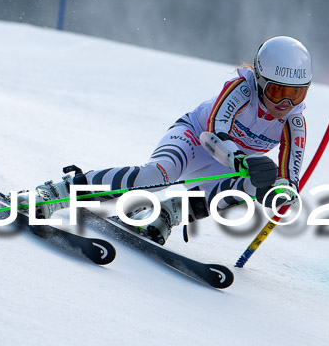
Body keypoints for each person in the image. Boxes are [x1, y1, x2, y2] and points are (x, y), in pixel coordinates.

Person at [19, 36, 310, 245]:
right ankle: (57, 191)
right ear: (259, 80)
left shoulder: (294, 123)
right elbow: (213, 134)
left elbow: (289, 178)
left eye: (296, 94)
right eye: (276, 91)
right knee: (156, 177)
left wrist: (279, 194)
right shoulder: (240, 90)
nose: (285, 103)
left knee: (257, 183)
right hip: (195, 140)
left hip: (228, 166)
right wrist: (244, 159)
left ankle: (168, 214)